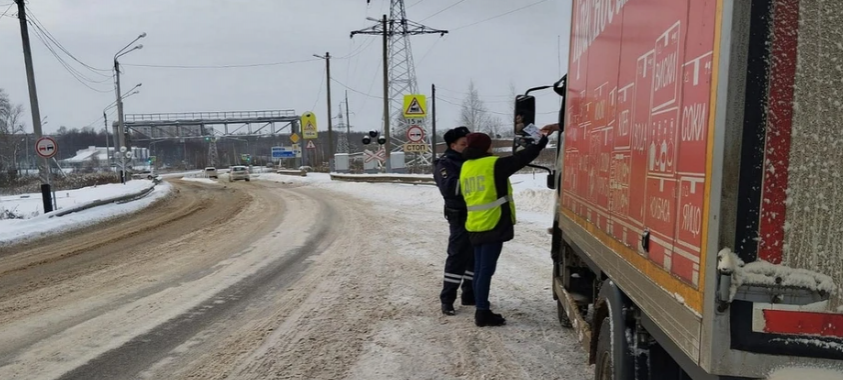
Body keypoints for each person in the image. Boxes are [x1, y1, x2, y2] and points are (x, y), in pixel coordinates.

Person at [459, 124, 560, 327]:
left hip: (474, 224)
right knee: (485, 271)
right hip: (492, 222)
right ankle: (482, 312)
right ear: (485, 147)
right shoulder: (492, 165)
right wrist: (541, 140)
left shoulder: (466, 166)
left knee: (479, 269)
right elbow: (522, 158)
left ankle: (481, 305)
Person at [433, 126, 474, 316]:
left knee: (474, 258)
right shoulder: (446, 163)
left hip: (476, 215)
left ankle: (469, 294)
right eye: (463, 144)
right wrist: (477, 185)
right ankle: (447, 300)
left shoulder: (470, 160)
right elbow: (449, 187)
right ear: (453, 145)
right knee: (457, 258)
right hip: (459, 216)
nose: (466, 147)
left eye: (468, 144)